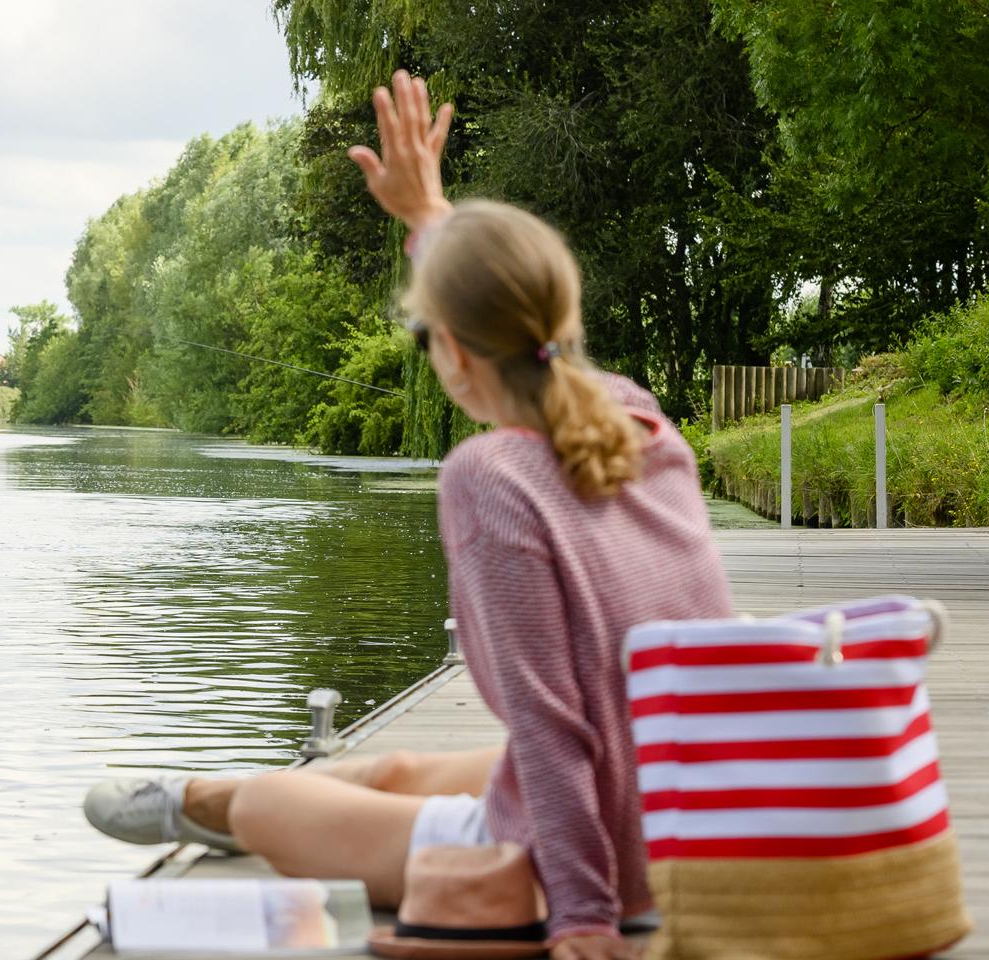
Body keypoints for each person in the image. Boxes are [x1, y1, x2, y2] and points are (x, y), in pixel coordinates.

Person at [81, 72, 733, 960]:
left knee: (276, 805)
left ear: (453, 352)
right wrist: (430, 215)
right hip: (696, 817)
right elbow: (498, 297)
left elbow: (548, 727)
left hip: (599, 863)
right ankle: (280, 798)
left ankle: (217, 802)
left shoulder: (491, 475)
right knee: (398, 773)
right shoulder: (643, 423)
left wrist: (584, 922)